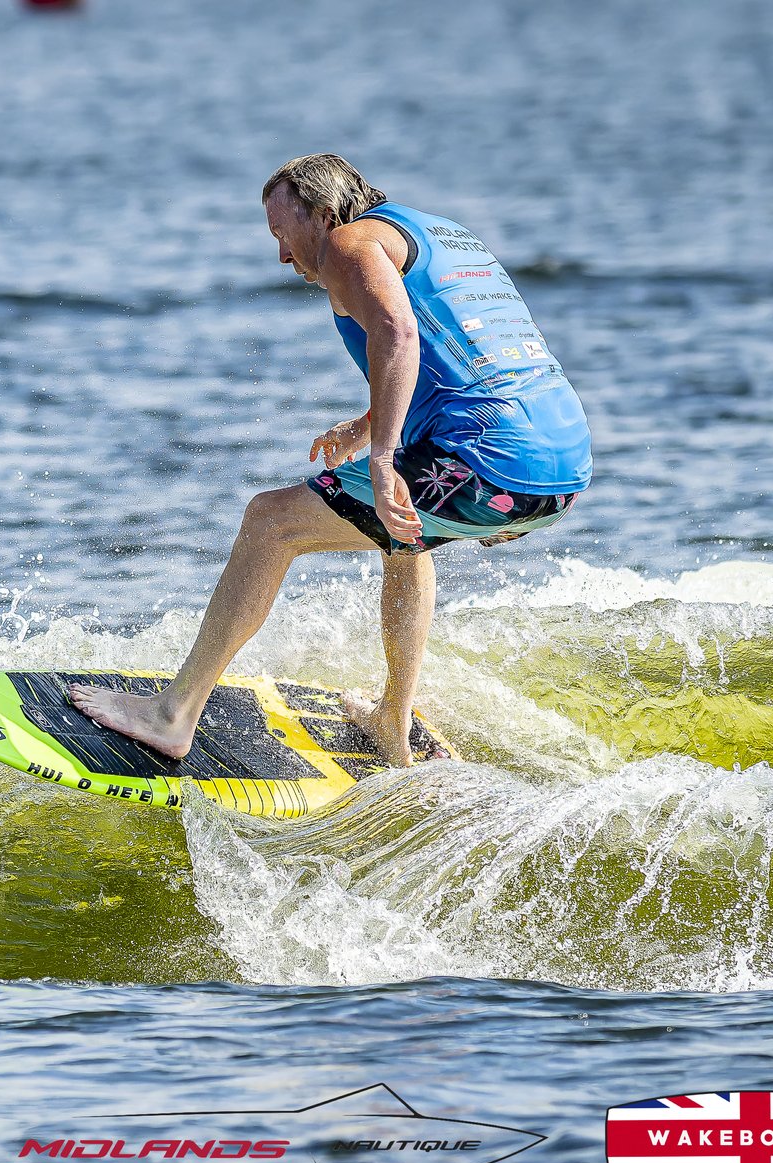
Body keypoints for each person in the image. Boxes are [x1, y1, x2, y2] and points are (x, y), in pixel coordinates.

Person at [70, 153, 592, 768]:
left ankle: (172, 715)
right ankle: (392, 722)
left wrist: (382, 453)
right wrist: (370, 422)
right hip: (557, 468)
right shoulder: (435, 234)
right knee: (404, 539)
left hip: (490, 462)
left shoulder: (349, 244)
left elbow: (397, 335)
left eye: (281, 233)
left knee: (271, 522)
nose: (283, 257)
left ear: (321, 215)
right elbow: (470, 351)